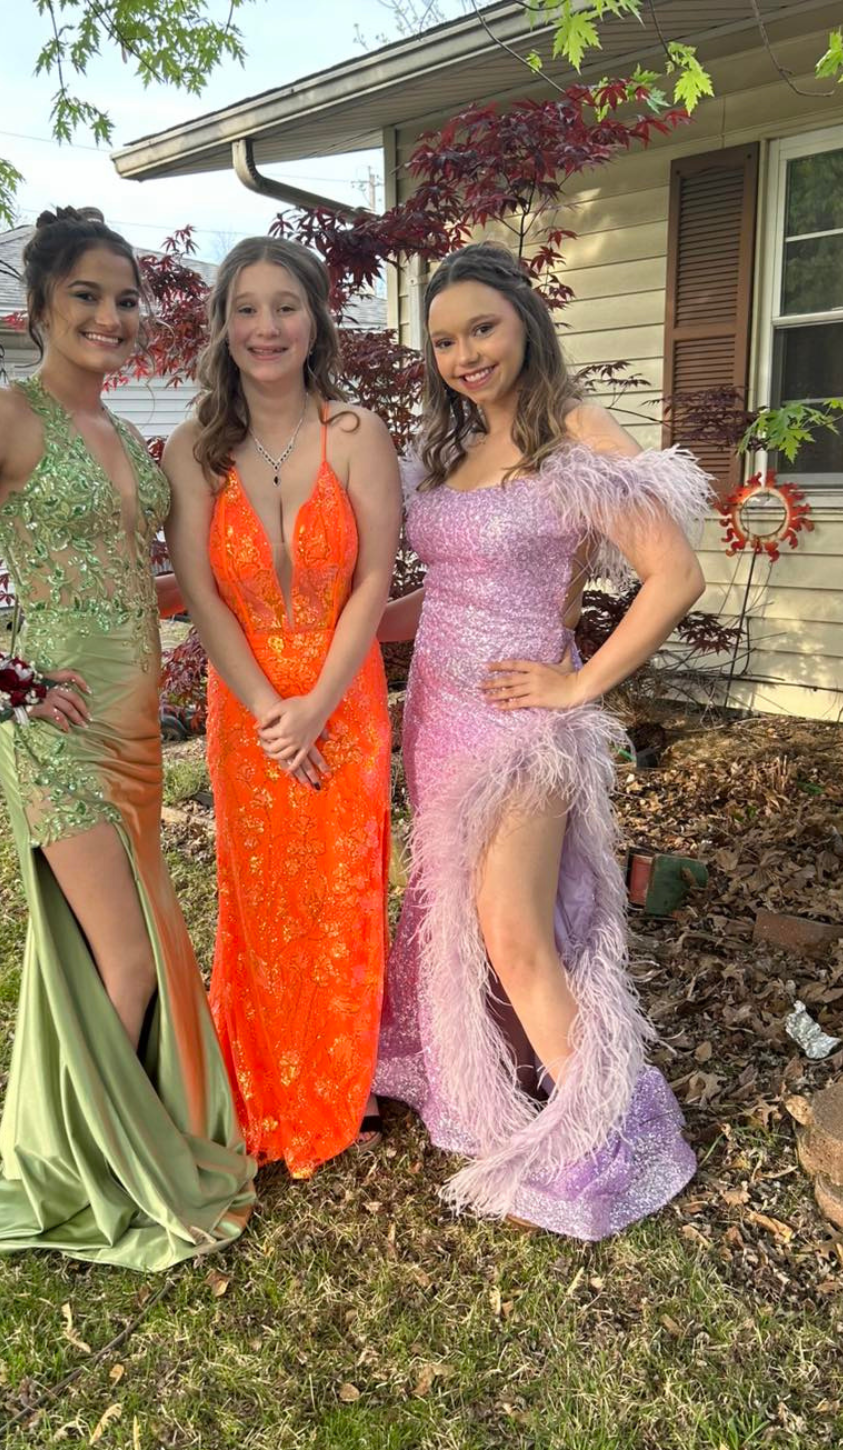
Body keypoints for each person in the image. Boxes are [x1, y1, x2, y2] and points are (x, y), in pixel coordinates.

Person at [0, 207, 255, 1270]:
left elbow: (162, 581)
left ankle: (110, 1137)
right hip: (59, 731)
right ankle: (84, 1174)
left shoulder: (127, 436)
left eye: (125, 299)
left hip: (133, 730)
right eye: (87, 295)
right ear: (37, 306)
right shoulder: (2, 413)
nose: (111, 316)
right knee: (127, 961)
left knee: (133, 948)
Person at [376, 241, 705, 1239]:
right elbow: (457, 585)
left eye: (481, 327)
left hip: (527, 728)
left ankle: (614, 1137)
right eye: (442, 339)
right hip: (438, 718)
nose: (464, 353)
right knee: (463, 922)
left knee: (515, 931)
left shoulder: (572, 432)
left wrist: (579, 681)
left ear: (525, 322)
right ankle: (501, 1081)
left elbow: (674, 573)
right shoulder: (444, 452)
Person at [162, 237, 400, 1178]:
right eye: (248, 308)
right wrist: (272, 711)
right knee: (262, 902)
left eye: (287, 306)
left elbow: (376, 577)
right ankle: (262, 1083)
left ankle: (347, 1080)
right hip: (246, 703)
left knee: (343, 898)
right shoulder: (193, 448)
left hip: (344, 701)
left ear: (315, 321)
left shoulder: (356, 433)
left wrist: (316, 708)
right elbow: (198, 593)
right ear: (223, 324)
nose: (267, 327)